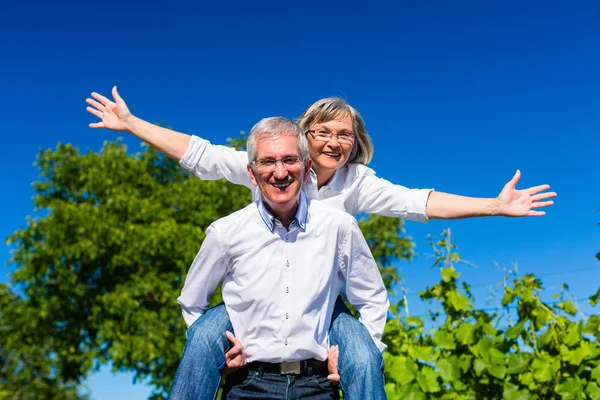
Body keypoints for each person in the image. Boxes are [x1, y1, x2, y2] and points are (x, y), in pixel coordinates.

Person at [86, 87, 557, 399]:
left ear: (355, 145)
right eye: (324, 132)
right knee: (207, 333)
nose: (334, 142)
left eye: (345, 136)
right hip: (257, 293)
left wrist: (493, 206)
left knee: (362, 352)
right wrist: (132, 124)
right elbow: (200, 154)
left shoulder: (357, 183)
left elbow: (420, 201)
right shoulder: (275, 167)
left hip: (321, 302)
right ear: (304, 136)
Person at [173, 116, 388, 399]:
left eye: (290, 160)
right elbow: (192, 302)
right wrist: (221, 357)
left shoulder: (339, 227)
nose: (280, 171)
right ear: (252, 172)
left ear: (306, 166)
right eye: (267, 162)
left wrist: (355, 356)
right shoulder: (225, 232)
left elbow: (371, 297)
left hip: (318, 385)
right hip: (247, 384)